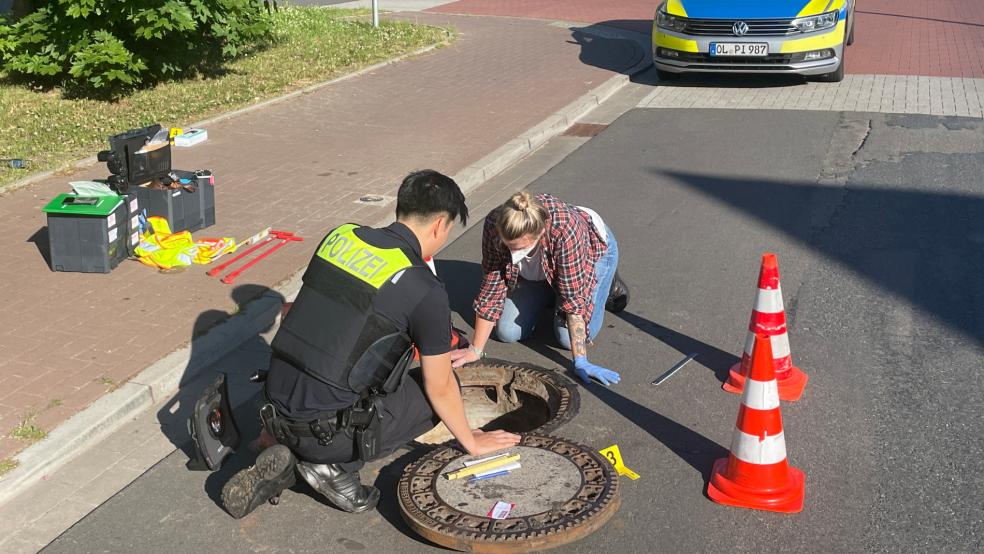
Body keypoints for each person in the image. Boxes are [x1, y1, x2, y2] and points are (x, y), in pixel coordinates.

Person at [221, 170, 521, 519]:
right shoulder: (424, 288)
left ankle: (281, 443)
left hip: (273, 408)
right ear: (440, 224)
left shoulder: (340, 237)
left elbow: (296, 314)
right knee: (442, 386)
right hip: (326, 434)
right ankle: (330, 465)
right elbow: (438, 386)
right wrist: (472, 441)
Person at [450, 191, 629, 386]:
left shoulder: (566, 231)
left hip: (590, 251)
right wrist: (475, 350)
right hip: (541, 264)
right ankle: (552, 285)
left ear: (540, 233)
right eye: (508, 246)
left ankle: (607, 282)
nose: (512, 254)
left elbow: (574, 301)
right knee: (508, 332)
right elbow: (492, 286)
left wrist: (581, 361)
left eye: (520, 248)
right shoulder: (495, 223)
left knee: (566, 340)